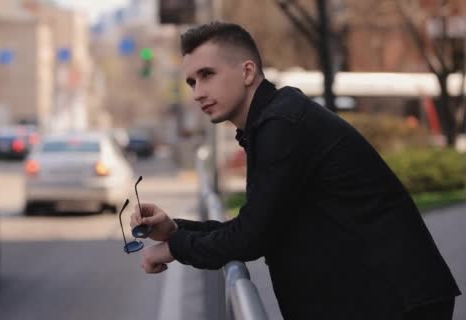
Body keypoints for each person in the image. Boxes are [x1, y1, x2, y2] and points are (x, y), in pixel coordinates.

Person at [129, 22, 460, 320]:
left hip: (394, 301)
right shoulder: (272, 121)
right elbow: (261, 224)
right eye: (191, 81)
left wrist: (174, 248)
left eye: (207, 75)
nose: (198, 92)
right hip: (378, 298)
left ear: (247, 71)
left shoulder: (282, 125)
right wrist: (175, 230)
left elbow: (250, 237)